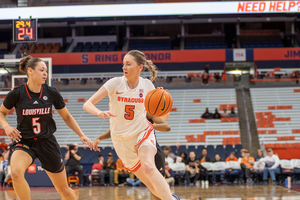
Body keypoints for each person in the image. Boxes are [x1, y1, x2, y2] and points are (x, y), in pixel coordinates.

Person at [83, 49, 178, 200]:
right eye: (123, 64)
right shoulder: (115, 83)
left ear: (140, 67)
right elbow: (87, 104)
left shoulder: (147, 86)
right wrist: (99, 112)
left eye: (128, 64)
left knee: (148, 166)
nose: (124, 67)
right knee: (152, 187)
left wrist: (164, 102)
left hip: (143, 133)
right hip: (121, 141)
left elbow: (163, 116)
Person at [0, 55, 93, 200]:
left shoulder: (51, 93)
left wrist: (81, 134)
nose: (45, 73)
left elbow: (67, 117)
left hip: (47, 142)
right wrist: (6, 126)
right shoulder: (17, 93)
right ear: (30, 71)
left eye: (46, 70)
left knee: (64, 189)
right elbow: (1, 112)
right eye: (42, 70)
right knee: (16, 173)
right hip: (25, 141)